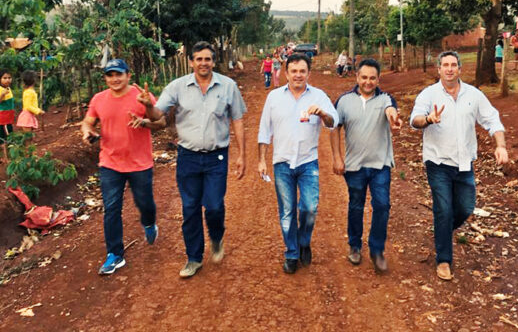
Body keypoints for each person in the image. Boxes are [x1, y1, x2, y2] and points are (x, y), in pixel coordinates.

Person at [140, 41, 247, 279]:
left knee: (215, 206)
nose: (203, 63)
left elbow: (237, 119)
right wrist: (148, 106)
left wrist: (242, 154)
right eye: (198, 59)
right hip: (187, 156)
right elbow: (158, 115)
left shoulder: (228, 86)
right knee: (190, 209)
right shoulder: (177, 87)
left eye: (207, 59)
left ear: (213, 61)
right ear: (191, 62)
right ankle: (194, 258)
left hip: (217, 157)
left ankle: (217, 238)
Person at [410, 51, 508, 281]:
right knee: (443, 208)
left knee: (465, 208)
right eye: (445, 65)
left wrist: (500, 146)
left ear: (460, 69)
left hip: (465, 163)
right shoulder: (429, 94)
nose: (450, 69)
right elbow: (414, 120)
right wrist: (428, 120)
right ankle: (444, 259)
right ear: (439, 69)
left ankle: (441, 230)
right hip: (438, 162)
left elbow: (493, 120)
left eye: (454, 65)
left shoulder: (474, 95)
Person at [257, 53, 339, 274]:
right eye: (293, 71)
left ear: (308, 73)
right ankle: (292, 253)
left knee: (310, 208)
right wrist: (261, 160)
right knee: (287, 212)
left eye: (302, 71)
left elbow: (333, 122)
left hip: (307, 162)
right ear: (286, 73)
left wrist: (322, 113)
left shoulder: (318, 96)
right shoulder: (274, 98)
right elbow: (265, 130)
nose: (298, 75)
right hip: (282, 163)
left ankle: (304, 241)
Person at [81, 59, 164, 275]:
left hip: (139, 162)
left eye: (119, 74)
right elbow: (87, 121)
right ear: (106, 78)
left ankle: (149, 223)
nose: (115, 79)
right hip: (110, 162)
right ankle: (115, 254)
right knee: (111, 208)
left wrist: (147, 108)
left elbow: (159, 121)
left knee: (145, 203)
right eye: (110, 75)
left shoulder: (140, 96)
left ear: (128, 75)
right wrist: (87, 131)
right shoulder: (99, 99)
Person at [330, 59, 403, 273]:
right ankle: (354, 245)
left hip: (380, 164)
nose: (368, 82)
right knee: (356, 205)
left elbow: (391, 111)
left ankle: (377, 249)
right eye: (364, 77)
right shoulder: (343, 101)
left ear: (378, 79)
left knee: (382, 205)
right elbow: (335, 128)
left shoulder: (386, 99)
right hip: (354, 166)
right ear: (357, 77)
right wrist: (336, 157)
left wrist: (393, 119)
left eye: (372, 78)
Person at [0, 69, 15, 165]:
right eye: (4, 78)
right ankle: (6, 158)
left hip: (6, 116)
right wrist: (2, 95)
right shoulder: (0, 90)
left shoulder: (8, 89)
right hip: (3, 117)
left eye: (9, 78)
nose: (7, 80)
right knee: (6, 137)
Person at [16, 70, 44, 135]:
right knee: (28, 137)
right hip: (27, 116)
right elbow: (28, 106)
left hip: (29, 116)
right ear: (34, 80)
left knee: (30, 136)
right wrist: (38, 111)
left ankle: (30, 145)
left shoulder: (29, 91)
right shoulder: (29, 92)